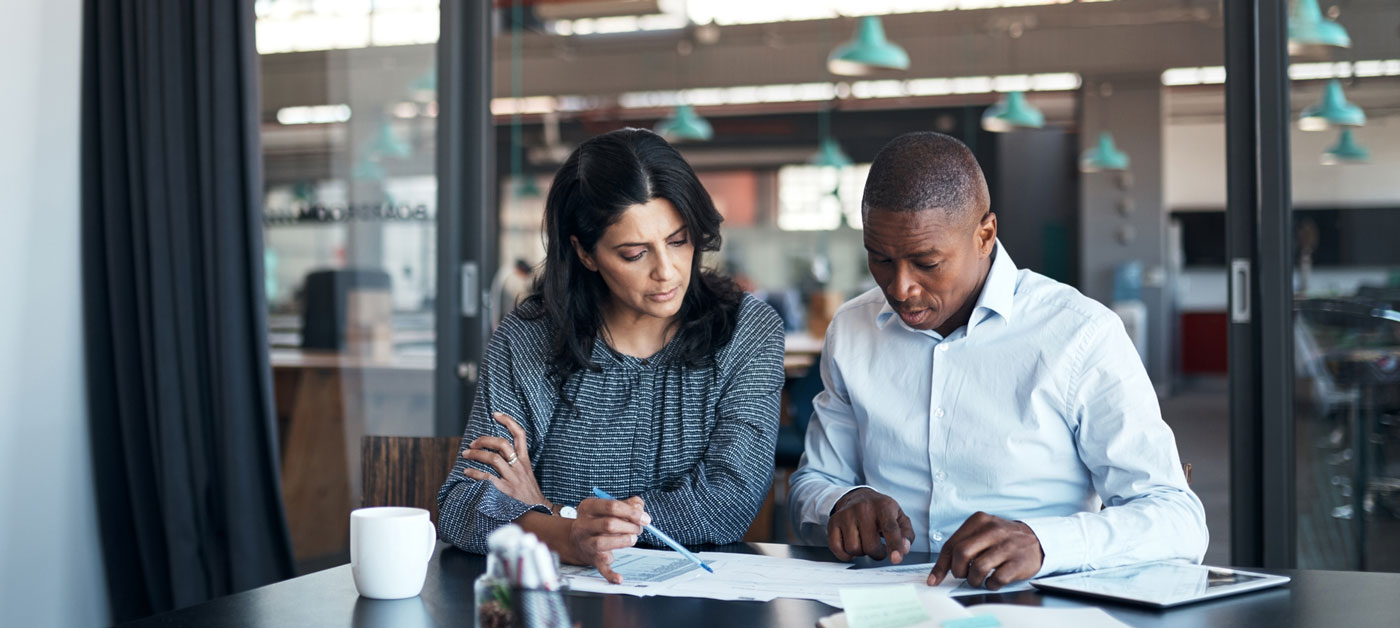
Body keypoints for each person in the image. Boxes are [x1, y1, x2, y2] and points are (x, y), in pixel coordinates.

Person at [788, 132, 1207, 590]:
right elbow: (813, 480)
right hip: (886, 605)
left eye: (926, 263)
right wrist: (843, 500)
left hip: (1031, 607)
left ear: (985, 234)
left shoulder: (1078, 334)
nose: (901, 287)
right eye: (881, 259)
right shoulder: (852, 330)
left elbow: (1177, 518)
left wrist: (1044, 544)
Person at [438, 128, 785, 583]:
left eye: (679, 241)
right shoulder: (527, 338)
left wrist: (549, 515)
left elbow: (727, 503)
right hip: (559, 603)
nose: (667, 271)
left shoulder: (747, 332)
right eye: (635, 253)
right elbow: (462, 503)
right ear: (584, 252)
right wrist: (568, 536)